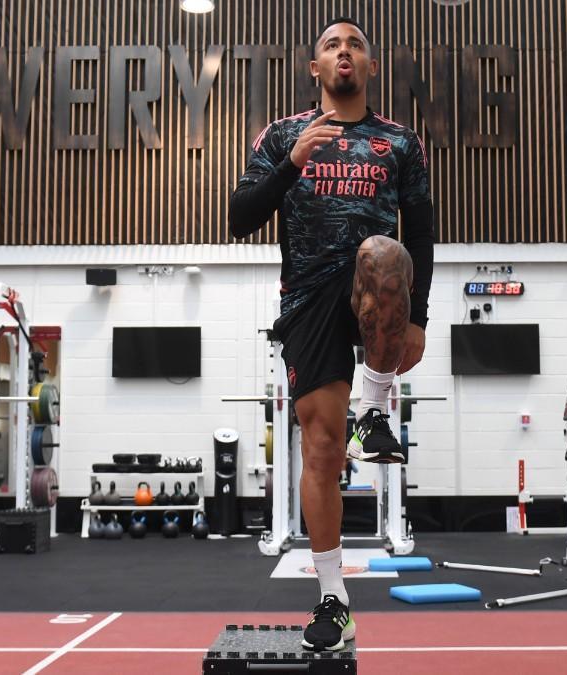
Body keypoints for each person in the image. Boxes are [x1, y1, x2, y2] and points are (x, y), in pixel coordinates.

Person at [228, 17, 434, 652]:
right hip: (309, 297)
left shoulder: (398, 142)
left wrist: (418, 315)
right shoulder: (283, 135)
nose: (344, 51)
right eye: (331, 45)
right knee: (319, 445)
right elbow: (239, 220)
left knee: (381, 249)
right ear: (315, 68)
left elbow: (421, 231)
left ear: (371, 68)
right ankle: (332, 599)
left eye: (356, 45)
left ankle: (375, 409)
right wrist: (291, 165)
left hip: (376, 285)